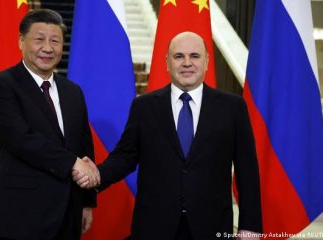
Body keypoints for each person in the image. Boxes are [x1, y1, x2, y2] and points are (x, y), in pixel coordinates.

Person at [74, 32, 262, 239]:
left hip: (211, 227)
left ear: (207, 61)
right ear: (167, 62)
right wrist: (97, 175)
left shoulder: (232, 107)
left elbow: (247, 170)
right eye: (179, 56)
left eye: (195, 56)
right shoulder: (144, 107)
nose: (187, 63)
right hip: (154, 227)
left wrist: (250, 225)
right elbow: (124, 158)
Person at [0, 9, 100, 240]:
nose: (48, 48)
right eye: (39, 39)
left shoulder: (73, 91)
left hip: (68, 210)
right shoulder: (2, 85)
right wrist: (73, 163)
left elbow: (83, 146)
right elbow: (20, 138)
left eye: (55, 41)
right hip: (22, 212)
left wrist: (87, 203)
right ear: (21, 41)